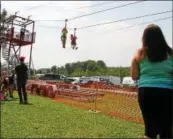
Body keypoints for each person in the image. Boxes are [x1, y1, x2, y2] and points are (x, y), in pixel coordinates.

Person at [131, 24, 173, 138]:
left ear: (144, 38)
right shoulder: (171, 53)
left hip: (146, 92)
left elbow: (134, 76)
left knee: (150, 130)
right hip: (167, 93)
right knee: (167, 131)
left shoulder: (139, 54)